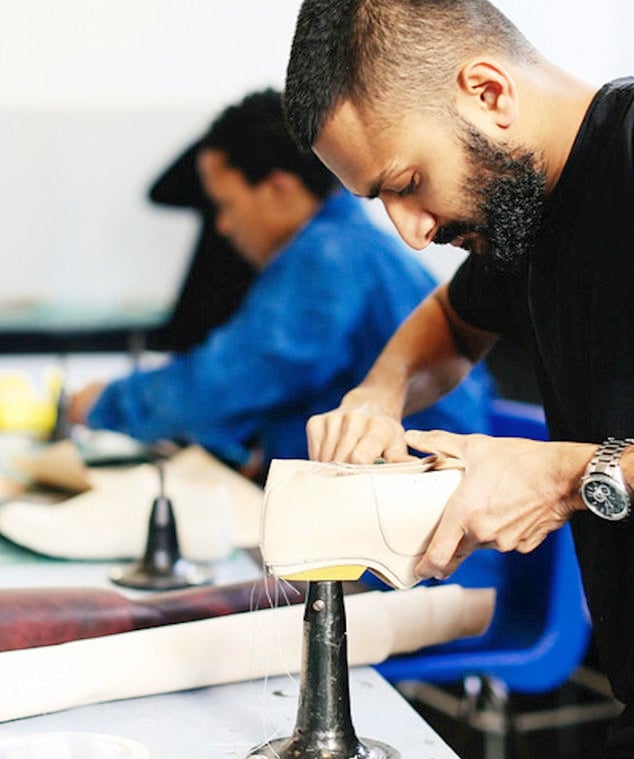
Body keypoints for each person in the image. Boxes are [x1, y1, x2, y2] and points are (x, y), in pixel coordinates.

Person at [283, 1, 634, 756]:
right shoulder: (528, 214)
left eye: (407, 182)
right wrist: (377, 397)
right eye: (381, 202)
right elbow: (449, 319)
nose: (412, 229)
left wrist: (574, 475)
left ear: (489, 93)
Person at [68, 89, 496, 478]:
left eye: (225, 204)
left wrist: (104, 403)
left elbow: (224, 385)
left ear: (278, 189)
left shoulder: (327, 258)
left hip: (409, 545)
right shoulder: (351, 245)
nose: (222, 225)